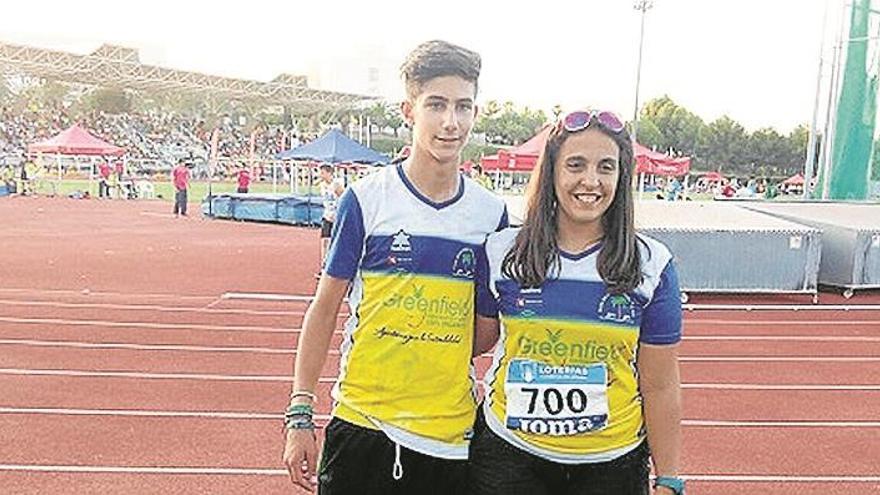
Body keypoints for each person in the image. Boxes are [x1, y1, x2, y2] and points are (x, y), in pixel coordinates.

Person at [282, 40, 508, 494]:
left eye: (463, 107)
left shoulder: (490, 214)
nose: (451, 122)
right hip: (363, 428)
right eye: (436, 105)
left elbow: (484, 336)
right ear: (409, 110)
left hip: (449, 438)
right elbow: (324, 309)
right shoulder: (366, 200)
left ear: (475, 113)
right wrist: (300, 414)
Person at [469, 110, 685, 495]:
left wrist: (668, 478)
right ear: (552, 172)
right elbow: (474, 342)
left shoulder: (652, 263)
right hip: (508, 458)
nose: (591, 181)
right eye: (575, 165)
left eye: (606, 167)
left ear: (621, 177)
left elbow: (661, 385)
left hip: (612, 465)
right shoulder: (502, 251)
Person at [316, 163, 344, 278]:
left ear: (329, 173)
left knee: (337, 242)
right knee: (324, 242)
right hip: (327, 216)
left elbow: (344, 199)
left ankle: (338, 266)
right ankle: (324, 267)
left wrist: (339, 214)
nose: (320, 175)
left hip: (337, 218)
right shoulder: (322, 185)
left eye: (322, 172)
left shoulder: (336, 185)